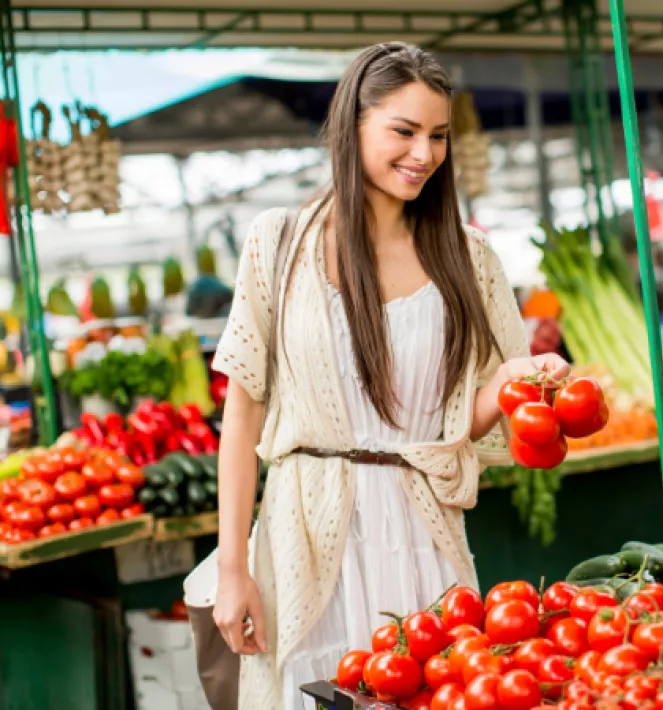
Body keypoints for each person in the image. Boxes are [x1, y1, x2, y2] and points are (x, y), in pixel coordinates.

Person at [209, 42, 569, 710]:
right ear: (352, 127)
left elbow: (467, 418)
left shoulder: (471, 257)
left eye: (436, 136)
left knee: (433, 690)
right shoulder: (278, 242)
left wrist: (522, 379)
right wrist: (232, 566)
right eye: (403, 131)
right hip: (305, 537)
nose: (424, 154)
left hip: (421, 535)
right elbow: (243, 412)